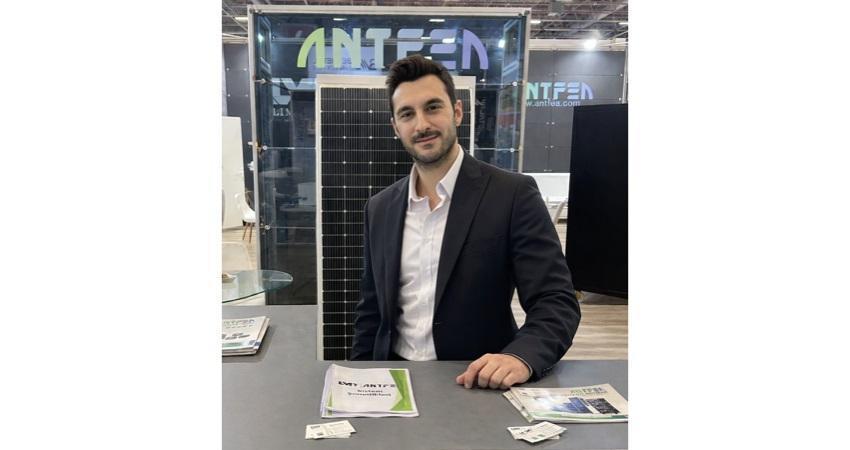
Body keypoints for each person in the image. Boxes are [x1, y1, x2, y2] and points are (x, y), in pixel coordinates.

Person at [351, 55, 581, 390]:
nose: (421, 124)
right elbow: (371, 312)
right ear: (396, 127)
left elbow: (555, 301)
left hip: (476, 381)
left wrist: (520, 357)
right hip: (393, 380)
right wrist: (359, 377)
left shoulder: (512, 194)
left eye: (433, 107)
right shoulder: (380, 208)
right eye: (407, 114)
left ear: (457, 112)